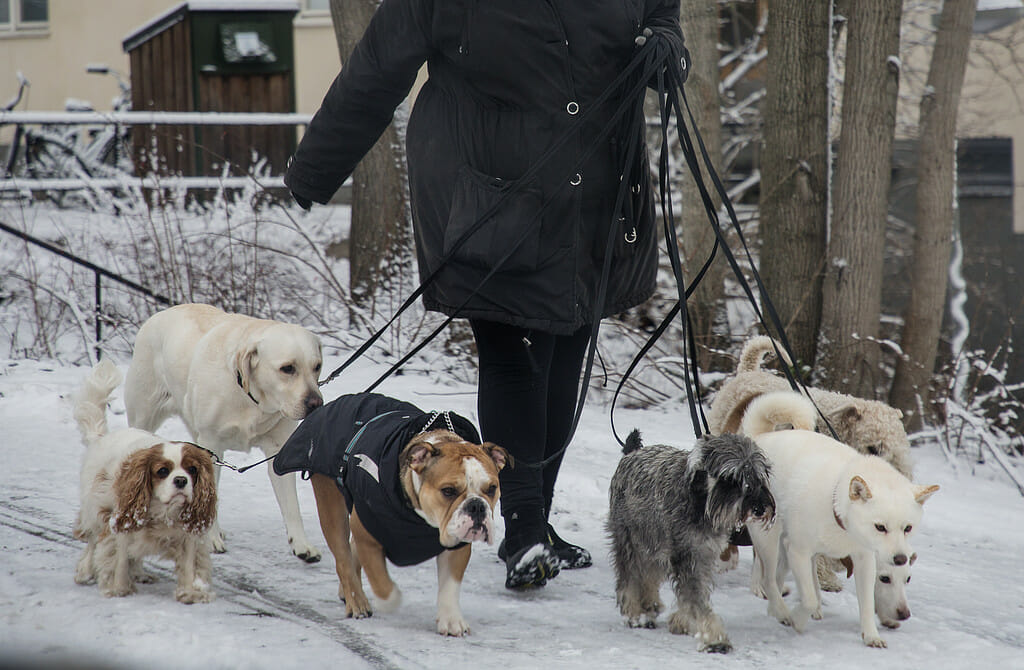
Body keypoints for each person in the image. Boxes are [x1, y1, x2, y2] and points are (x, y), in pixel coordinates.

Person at [285, 0, 686, 590]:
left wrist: (666, 49)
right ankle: (520, 532)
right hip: (492, 193)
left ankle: (535, 524)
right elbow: (377, 69)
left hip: (594, 198)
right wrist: (315, 169)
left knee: (564, 359)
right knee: (514, 355)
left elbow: (664, 18)